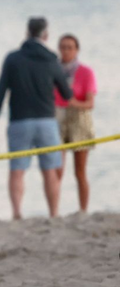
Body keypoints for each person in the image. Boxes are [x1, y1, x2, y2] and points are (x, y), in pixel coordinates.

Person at [0, 17, 73, 220]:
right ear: (46, 36)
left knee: (17, 170)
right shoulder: (51, 58)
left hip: (19, 121)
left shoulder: (13, 58)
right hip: (46, 121)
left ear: (27, 33)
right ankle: (54, 213)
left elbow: (0, 93)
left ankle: (17, 213)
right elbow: (67, 94)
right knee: (50, 170)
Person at [54, 34, 96, 213]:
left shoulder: (85, 72)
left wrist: (74, 103)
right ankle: (54, 210)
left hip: (79, 119)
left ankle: (83, 210)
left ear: (76, 50)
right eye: (63, 47)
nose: (66, 51)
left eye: (70, 47)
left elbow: (90, 103)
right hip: (58, 118)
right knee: (57, 170)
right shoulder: (53, 70)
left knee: (80, 171)